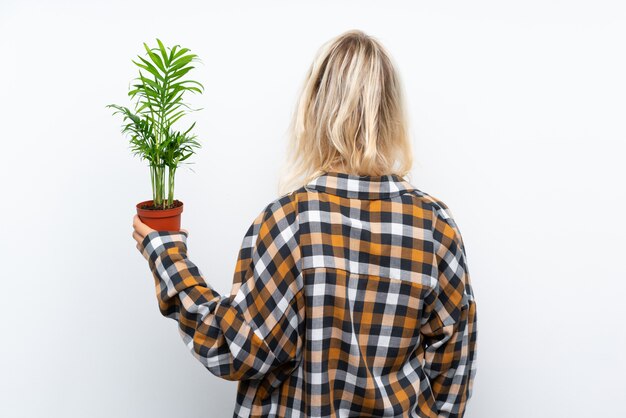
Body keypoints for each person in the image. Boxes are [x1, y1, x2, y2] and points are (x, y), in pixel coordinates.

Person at [132, 29, 477, 418]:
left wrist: (168, 257)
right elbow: (452, 378)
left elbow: (234, 348)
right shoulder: (435, 227)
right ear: (391, 112)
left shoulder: (288, 222)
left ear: (315, 108)